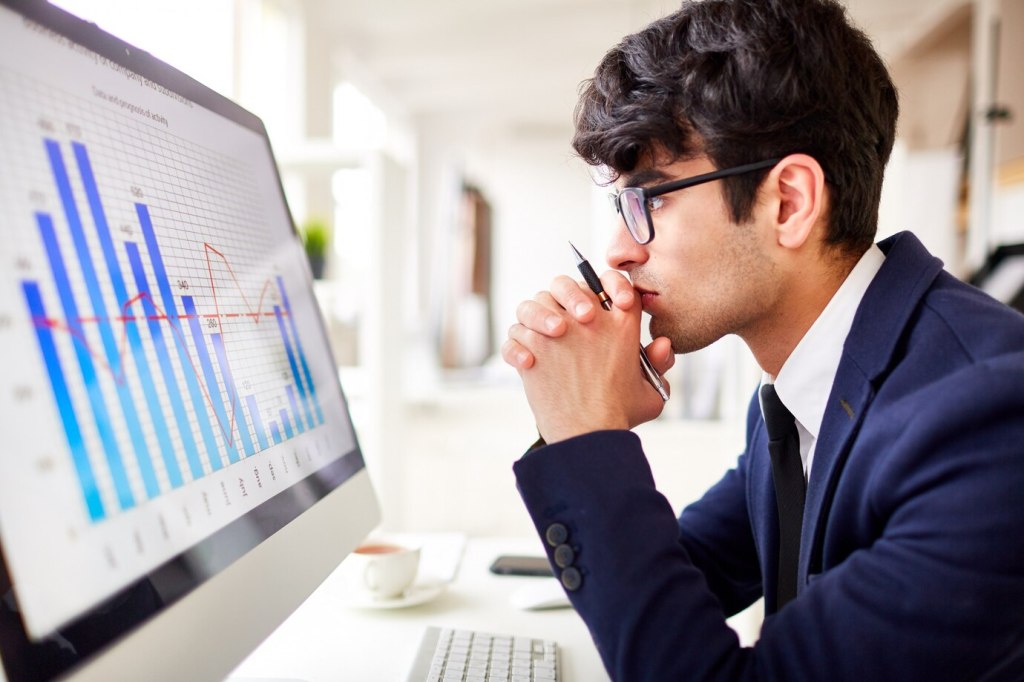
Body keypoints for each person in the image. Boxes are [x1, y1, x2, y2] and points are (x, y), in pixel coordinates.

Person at [500, 0, 1024, 679]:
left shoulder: (986, 421)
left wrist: (585, 433)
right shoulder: (805, 388)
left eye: (651, 199)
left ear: (790, 203)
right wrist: (587, 420)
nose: (619, 251)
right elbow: (684, 582)